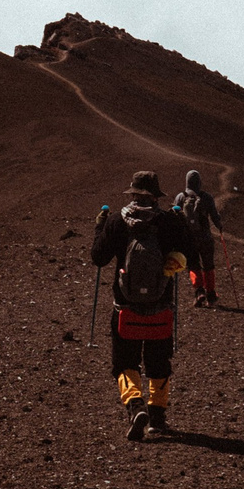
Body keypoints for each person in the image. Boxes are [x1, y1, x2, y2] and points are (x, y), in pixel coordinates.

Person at [91, 169, 197, 440]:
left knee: (124, 363)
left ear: (133, 193)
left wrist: (99, 227)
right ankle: (157, 419)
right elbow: (190, 252)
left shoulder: (117, 221)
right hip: (160, 307)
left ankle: (135, 405)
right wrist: (182, 223)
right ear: (156, 195)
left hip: (125, 308)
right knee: (158, 363)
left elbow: (98, 258)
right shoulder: (168, 222)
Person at [174, 169, 223, 307]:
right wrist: (219, 226)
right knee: (208, 265)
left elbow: (174, 216)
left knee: (193, 265)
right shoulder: (206, 197)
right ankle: (211, 294)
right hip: (205, 237)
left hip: (189, 239)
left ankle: (199, 291)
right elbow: (214, 216)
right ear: (199, 182)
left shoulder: (181, 197)